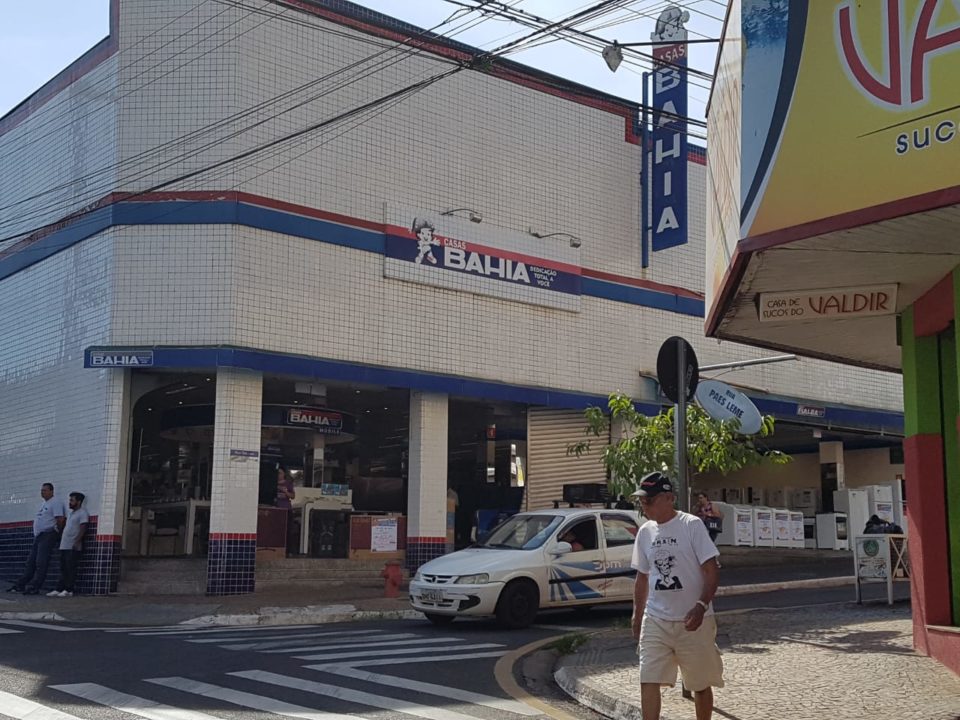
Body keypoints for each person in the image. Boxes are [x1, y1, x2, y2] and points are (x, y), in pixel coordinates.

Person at [630, 471, 723, 720]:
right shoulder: (645, 532)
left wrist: (701, 605)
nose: (643, 505)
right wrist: (637, 616)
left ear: (668, 498)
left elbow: (711, 570)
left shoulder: (691, 525)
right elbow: (642, 578)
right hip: (656, 619)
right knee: (648, 678)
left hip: (694, 622)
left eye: (648, 500)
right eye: (641, 501)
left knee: (699, 684)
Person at [7, 483, 67, 594]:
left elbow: (60, 519)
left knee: (41, 562)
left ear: (51, 491)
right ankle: (21, 585)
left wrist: (57, 532)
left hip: (48, 534)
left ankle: (35, 587)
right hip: (39, 535)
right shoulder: (44, 503)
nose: (42, 492)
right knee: (31, 561)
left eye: (45, 490)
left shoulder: (56, 502)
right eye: (42, 490)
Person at [48, 492, 89, 598]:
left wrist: (77, 541)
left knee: (70, 568)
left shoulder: (82, 513)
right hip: (64, 544)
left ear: (78, 502)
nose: (69, 502)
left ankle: (69, 589)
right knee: (63, 568)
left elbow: (83, 528)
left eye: (72, 500)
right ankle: (59, 588)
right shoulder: (71, 513)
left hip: (73, 545)